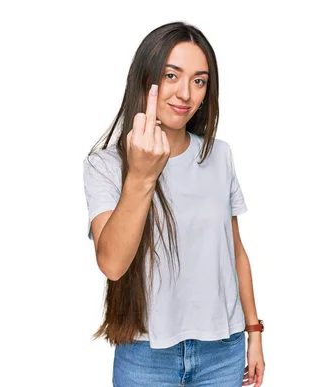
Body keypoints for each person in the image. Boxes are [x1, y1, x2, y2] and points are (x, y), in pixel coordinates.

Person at [83, 21, 265, 386]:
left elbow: (235, 251)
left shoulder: (219, 156)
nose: (185, 93)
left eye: (199, 80)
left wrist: (254, 331)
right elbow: (112, 264)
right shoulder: (105, 165)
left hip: (222, 352)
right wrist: (141, 176)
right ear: (146, 78)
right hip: (145, 356)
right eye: (171, 75)